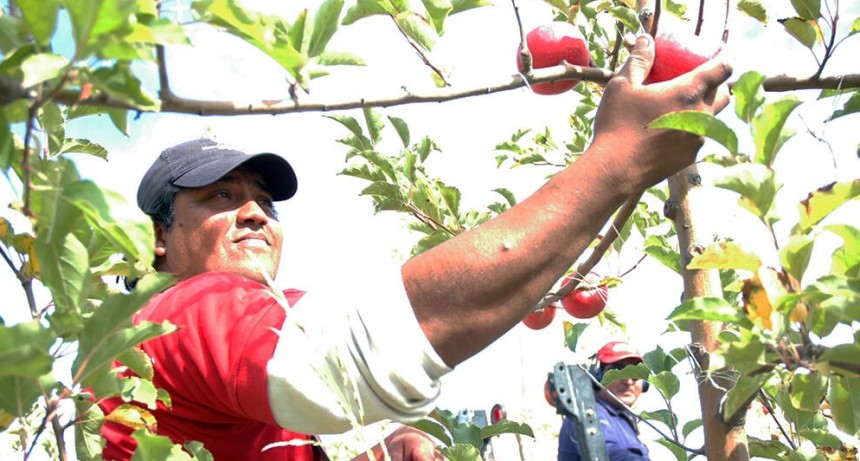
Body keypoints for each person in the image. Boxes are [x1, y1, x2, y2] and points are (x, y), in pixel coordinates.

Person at [97, 34, 732, 461]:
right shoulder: (175, 315)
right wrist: (616, 161)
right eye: (218, 198)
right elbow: (351, 364)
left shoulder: (244, 331)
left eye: (265, 202)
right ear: (158, 237)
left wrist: (388, 437)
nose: (255, 215)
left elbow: (313, 401)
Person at [557, 341, 651, 460]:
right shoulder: (589, 411)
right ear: (598, 375)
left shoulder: (622, 421)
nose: (628, 381)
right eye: (618, 372)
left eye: (635, 374)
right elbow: (606, 453)